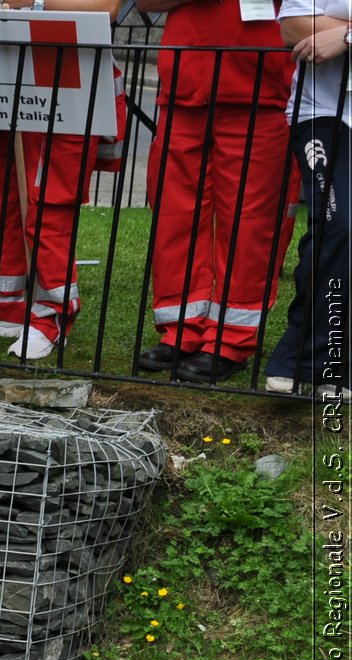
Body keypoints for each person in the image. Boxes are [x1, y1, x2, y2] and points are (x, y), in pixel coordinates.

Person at [133, 0, 296, 383]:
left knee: (250, 223)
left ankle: (231, 338)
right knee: (176, 215)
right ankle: (182, 330)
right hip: (183, 86)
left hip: (259, 89)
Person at [0, 0, 127, 362]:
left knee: (49, 200)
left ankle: (52, 318)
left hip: (68, 70)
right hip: (9, 61)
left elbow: (107, 8)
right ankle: (4, 306)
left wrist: (32, 1)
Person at [264, 1, 350, 399]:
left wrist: (345, 35)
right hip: (324, 113)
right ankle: (303, 358)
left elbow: (326, 32)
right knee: (339, 224)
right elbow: (294, 29)